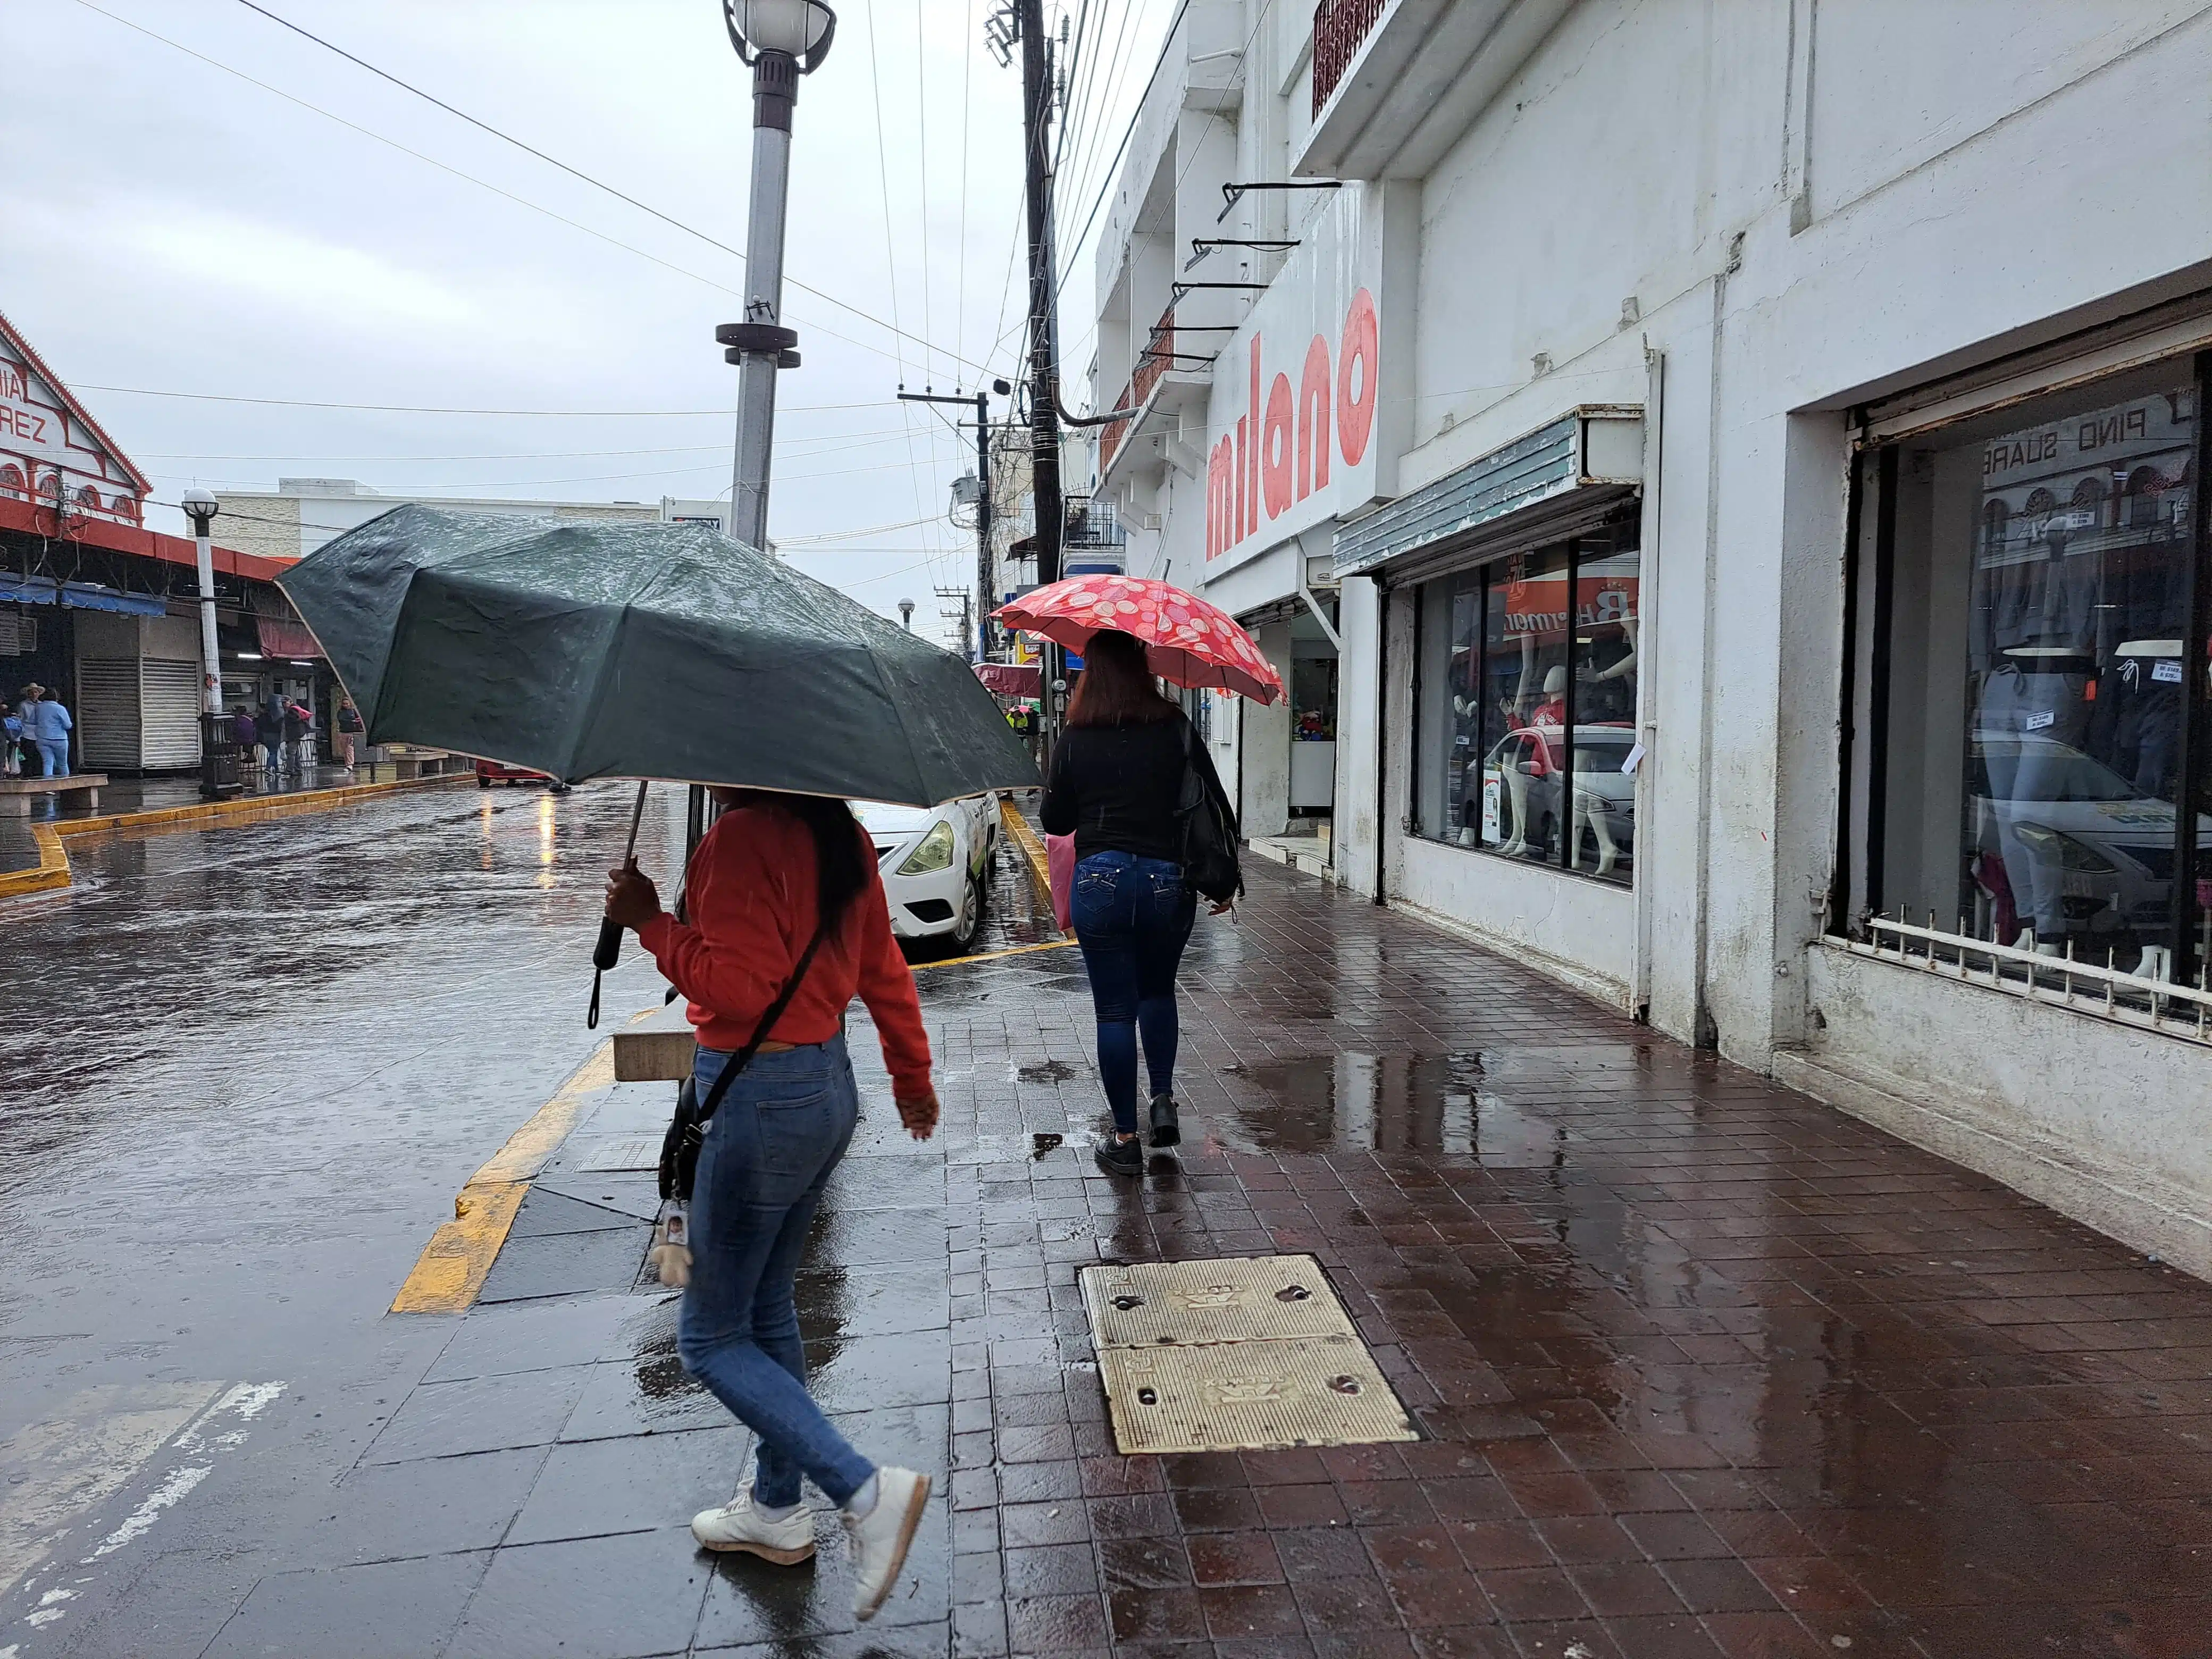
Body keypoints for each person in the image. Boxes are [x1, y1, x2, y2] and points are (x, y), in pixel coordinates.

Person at [602, 789, 939, 1621]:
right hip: (826, 1085)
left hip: (755, 1099)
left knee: (710, 1338)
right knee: (765, 1304)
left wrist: (650, 922)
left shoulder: (740, 839)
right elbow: (880, 966)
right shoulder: (840, 834)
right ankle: (776, 1509)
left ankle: (861, 1492)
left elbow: (737, 988)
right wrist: (911, 1074)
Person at [1040, 629, 1233, 1177]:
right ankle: (1163, 1101)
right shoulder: (1173, 727)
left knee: (1113, 1011)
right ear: (1142, 668)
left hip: (1099, 880)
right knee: (1156, 991)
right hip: (1165, 881)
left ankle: (1124, 1139)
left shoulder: (1075, 736)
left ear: (1091, 673)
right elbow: (1210, 802)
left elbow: (1055, 821)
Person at [19, 684, 72, 778]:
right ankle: (67, 787)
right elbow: (68, 725)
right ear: (57, 698)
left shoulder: (39, 707)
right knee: (62, 764)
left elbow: (32, 721)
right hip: (59, 739)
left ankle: (49, 788)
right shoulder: (60, 708)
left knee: (48, 763)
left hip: (42, 739)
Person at [335, 696, 363, 772]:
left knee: (350, 748)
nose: (346, 705)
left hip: (351, 732)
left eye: (347, 704)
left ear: (350, 703)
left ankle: (350, 764)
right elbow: (341, 720)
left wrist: (355, 722)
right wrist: (352, 721)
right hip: (343, 731)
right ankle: (347, 764)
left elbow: (360, 719)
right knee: (344, 749)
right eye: (344, 704)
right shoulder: (341, 712)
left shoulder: (353, 711)